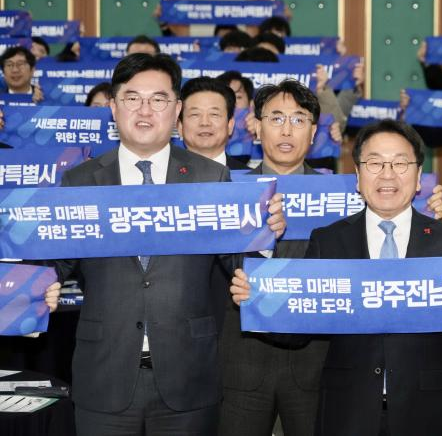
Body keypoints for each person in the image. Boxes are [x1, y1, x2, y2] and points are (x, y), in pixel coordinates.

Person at [231, 119, 442, 436]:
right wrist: (259, 300)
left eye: (400, 163)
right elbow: (300, 330)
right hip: (347, 410)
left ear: (418, 176)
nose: (387, 174)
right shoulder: (329, 240)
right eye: (374, 163)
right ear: (358, 176)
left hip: (425, 409)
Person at [54, 53, 285, 436]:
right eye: (132, 98)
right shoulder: (80, 181)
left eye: (158, 99)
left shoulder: (210, 178)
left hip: (188, 378)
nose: (145, 110)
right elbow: (54, 262)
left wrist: (265, 235)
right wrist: (36, 283)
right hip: (104, 376)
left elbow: (241, 263)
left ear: (176, 109)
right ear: (113, 107)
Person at [219, 86, 442, 436]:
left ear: (314, 132)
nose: (286, 130)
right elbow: (222, 264)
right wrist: (259, 242)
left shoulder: (349, 191)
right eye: (276, 118)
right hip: (244, 363)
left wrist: (426, 214)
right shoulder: (227, 192)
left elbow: (387, 225)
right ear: (256, 126)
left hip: (320, 364)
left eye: (299, 120)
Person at [177, 76, 246, 169]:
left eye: (214, 114)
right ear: (180, 126)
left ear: (230, 125)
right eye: (195, 114)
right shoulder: (163, 176)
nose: (205, 123)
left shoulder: (249, 177)